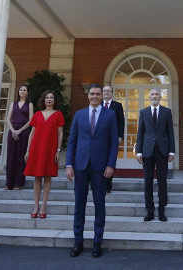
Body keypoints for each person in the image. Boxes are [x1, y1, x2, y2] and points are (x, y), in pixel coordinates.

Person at [66, 84, 119, 258]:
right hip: (80, 165)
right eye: (92, 94)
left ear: (102, 97)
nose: (95, 96)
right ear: (88, 96)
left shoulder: (110, 115)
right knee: (79, 205)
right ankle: (78, 241)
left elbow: (113, 142)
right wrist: (69, 165)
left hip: (100, 167)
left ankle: (97, 242)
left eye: (98, 94)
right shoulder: (79, 115)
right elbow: (72, 140)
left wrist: (111, 165)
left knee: (99, 205)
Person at [136, 87, 175, 222]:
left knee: (162, 182)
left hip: (162, 151)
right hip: (147, 151)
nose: (154, 96)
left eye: (157, 94)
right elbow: (140, 133)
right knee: (148, 182)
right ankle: (150, 211)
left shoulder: (166, 112)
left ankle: (162, 210)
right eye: (152, 94)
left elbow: (170, 132)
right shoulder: (144, 112)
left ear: (160, 97)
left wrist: (172, 151)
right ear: (149, 97)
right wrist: (139, 152)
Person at [24, 90, 64, 219]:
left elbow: (60, 134)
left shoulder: (58, 115)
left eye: (51, 98)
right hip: (36, 148)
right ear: (44, 100)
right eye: (47, 97)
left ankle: (43, 207)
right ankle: (35, 206)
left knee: (47, 177)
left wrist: (58, 150)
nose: (49, 99)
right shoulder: (37, 114)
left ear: (55, 101)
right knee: (37, 177)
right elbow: (32, 133)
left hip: (50, 149)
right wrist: (28, 150)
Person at [5, 84, 34, 190]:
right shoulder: (13, 104)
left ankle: (18, 183)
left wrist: (20, 131)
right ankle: (9, 184)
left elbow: (31, 120)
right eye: (20, 90)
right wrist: (13, 131)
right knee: (11, 156)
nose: (22, 91)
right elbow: (8, 119)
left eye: (24, 90)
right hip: (12, 131)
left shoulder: (29, 104)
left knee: (20, 157)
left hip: (24, 132)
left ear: (27, 93)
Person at [101, 85, 124, 194]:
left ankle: (107, 186)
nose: (106, 93)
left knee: (110, 161)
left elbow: (121, 122)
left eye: (108, 91)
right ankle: (99, 183)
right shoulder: (98, 105)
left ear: (112, 93)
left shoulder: (117, 106)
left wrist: (120, 136)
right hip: (99, 139)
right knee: (99, 161)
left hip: (112, 138)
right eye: (104, 91)